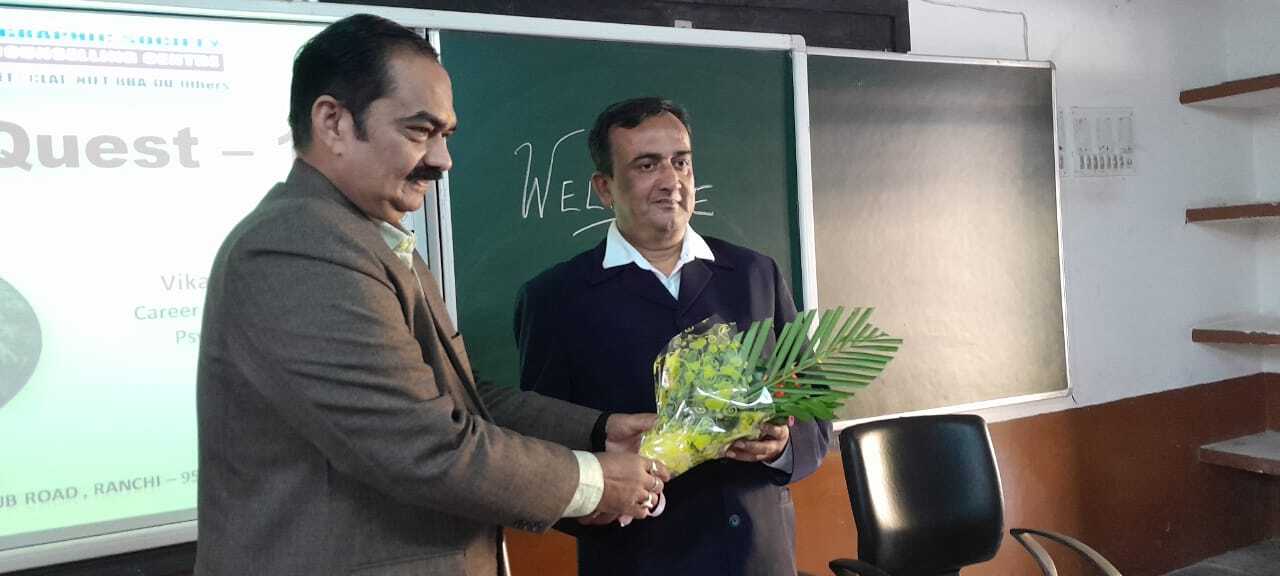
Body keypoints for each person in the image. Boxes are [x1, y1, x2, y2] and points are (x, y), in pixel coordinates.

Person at [195, 15, 669, 576]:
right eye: (420, 131)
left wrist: (599, 430)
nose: (443, 159)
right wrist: (593, 481)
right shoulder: (298, 246)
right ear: (333, 122)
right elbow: (422, 444)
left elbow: (461, 396)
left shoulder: (370, 236)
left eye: (445, 135)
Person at [514, 97, 833, 576]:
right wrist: (596, 500)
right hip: (639, 561)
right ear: (605, 187)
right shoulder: (556, 299)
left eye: (680, 162)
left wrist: (782, 445)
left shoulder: (754, 274)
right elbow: (543, 449)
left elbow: (814, 414)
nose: (671, 181)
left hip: (759, 557)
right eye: (647, 165)